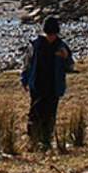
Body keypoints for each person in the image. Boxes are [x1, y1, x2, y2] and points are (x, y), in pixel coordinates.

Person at [20, 17, 74, 149]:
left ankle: (46, 141)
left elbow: (70, 66)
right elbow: (27, 63)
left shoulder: (61, 46)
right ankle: (33, 141)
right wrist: (24, 79)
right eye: (49, 34)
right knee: (35, 113)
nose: (51, 37)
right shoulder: (35, 45)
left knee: (50, 114)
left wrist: (65, 57)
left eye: (53, 34)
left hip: (54, 86)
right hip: (37, 85)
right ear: (44, 32)